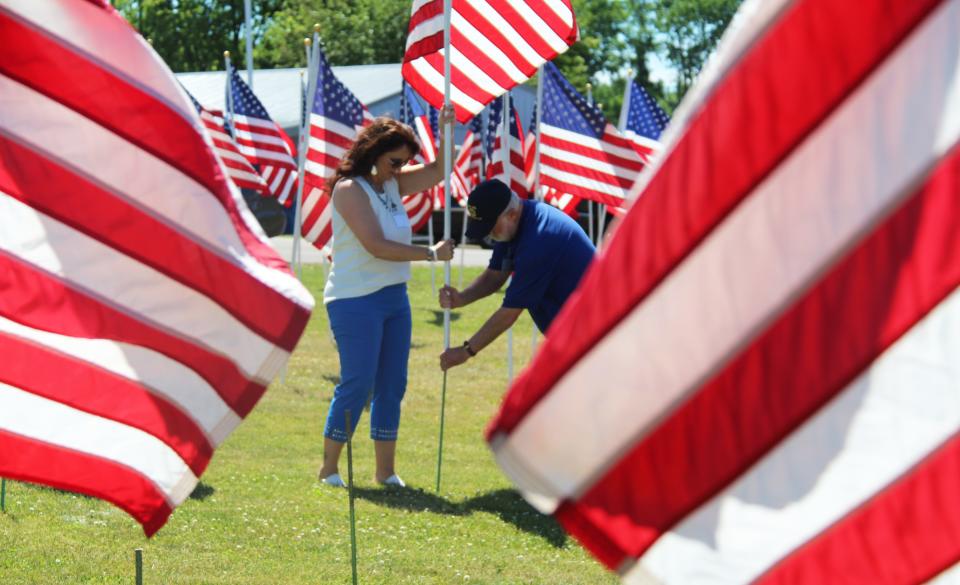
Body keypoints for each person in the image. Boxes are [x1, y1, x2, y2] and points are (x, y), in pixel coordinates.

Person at [318, 107, 456, 488]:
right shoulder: (349, 190)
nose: (400, 170)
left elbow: (438, 172)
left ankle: (385, 472)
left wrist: (447, 130)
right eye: (395, 161)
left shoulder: (391, 184)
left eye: (405, 163)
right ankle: (328, 469)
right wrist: (430, 253)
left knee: (392, 383)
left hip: (394, 297)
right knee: (358, 382)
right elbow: (376, 246)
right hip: (353, 298)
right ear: (374, 152)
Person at [438, 179, 595, 371]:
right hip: (576, 338)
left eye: (490, 227)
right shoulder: (514, 226)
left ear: (511, 215)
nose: (489, 236)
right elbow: (494, 276)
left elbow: (510, 313)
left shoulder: (539, 239)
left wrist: (466, 351)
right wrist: (462, 298)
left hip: (596, 336)